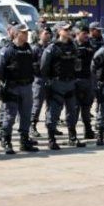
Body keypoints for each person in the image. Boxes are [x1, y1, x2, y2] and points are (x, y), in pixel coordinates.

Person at [0, 23, 39, 154]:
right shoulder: (7, 49)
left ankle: (24, 141)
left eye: (26, 32)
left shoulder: (28, 48)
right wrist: (4, 83)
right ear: (16, 33)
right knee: (10, 115)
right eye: (23, 32)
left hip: (26, 86)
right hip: (12, 87)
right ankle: (6, 140)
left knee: (26, 115)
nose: (26, 35)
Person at [40, 21, 83, 149]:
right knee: (53, 112)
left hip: (70, 83)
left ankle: (72, 137)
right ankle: (51, 139)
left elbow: (77, 64)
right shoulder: (52, 48)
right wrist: (48, 83)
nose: (69, 31)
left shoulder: (73, 46)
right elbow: (44, 68)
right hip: (56, 83)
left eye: (69, 29)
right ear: (59, 31)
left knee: (72, 111)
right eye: (66, 29)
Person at [73, 25, 97, 141]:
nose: (86, 35)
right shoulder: (72, 46)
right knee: (74, 107)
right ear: (77, 34)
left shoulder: (90, 46)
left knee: (87, 106)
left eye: (87, 33)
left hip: (88, 79)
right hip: (75, 81)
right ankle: (72, 132)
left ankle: (88, 130)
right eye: (84, 33)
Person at [30, 27, 53, 138]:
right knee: (37, 104)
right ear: (40, 35)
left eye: (49, 33)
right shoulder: (35, 48)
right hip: (39, 79)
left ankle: (51, 126)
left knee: (51, 104)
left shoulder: (51, 47)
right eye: (45, 33)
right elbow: (30, 64)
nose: (48, 35)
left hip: (50, 79)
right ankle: (32, 126)